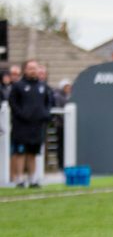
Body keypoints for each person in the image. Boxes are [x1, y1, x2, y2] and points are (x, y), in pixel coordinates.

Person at [8, 60, 54, 188]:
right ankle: (19, 179)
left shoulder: (43, 86)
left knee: (33, 153)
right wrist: (22, 114)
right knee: (20, 153)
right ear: (25, 70)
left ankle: (33, 179)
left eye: (35, 68)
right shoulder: (18, 86)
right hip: (21, 126)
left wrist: (45, 114)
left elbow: (48, 103)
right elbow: (13, 103)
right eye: (30, 68)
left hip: (37, 126)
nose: (33, 70)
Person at [53, 79, 72, 168]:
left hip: (69, 125)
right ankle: (61, 164)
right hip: (61, 125)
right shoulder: (58, 96)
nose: (68, 88)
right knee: (61, 145)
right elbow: (59, 110)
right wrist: (65, 121)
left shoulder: (69, 96)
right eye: (66, 87)